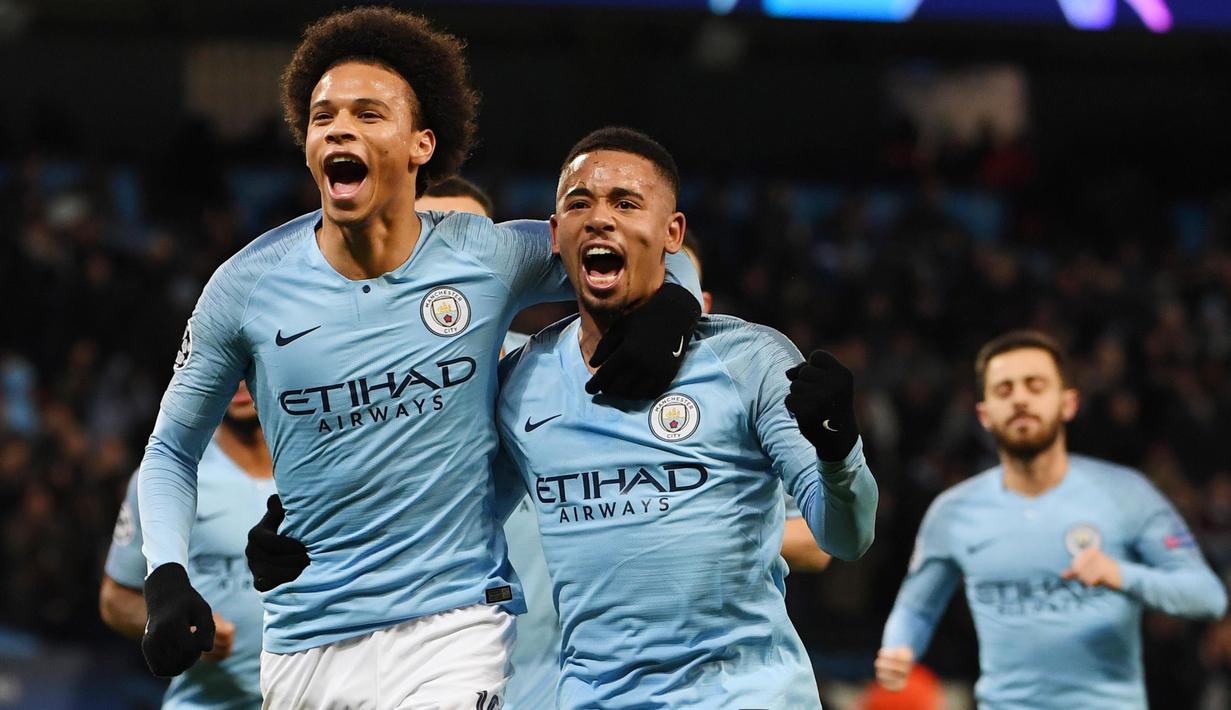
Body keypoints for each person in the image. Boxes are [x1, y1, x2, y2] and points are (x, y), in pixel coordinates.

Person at [135, 7, 701, 708]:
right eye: (323, 116)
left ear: (420, 144)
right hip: (307, 635)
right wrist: (165, 574)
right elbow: (170, 451)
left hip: (454, 624)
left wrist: (674, 306)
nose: (339, 127)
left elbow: (644, 248)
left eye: (369, 114)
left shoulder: (486, 256)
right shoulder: (246, 287)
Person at [494, 126, 878, 707]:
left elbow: (846, 539)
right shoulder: (523, 381)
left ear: (673, 231)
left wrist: (838, 451)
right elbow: (449, 523)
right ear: (554, 235)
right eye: (579, 203)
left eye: (626, 202)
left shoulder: (750, 360)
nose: (600, 218)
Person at [876, 330, 1228, 709]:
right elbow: (917, 607)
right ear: (984, 414)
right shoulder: (953, 512)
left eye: (1035, 385)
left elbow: (1207, 597)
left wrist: (1123, 575)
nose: (1021, 399)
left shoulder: (1127, 494)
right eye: (1005, 390)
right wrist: (898, 645)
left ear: (1068, 403)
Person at [100, 383, 273, 709]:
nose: (239, 382)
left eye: (249, 362)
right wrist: (175, 622)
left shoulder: (313, 470)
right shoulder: (167, 477)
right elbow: (115, 599)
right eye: (230, 362)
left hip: (309, 696)